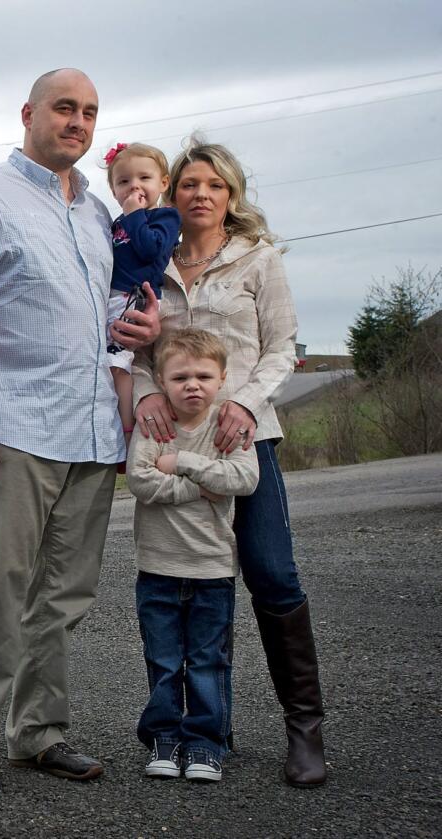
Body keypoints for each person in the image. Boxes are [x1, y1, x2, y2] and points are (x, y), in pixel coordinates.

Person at [0, 68, 161, 793]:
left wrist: (141, 328)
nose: (77, 122)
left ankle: (39, 732)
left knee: (64, 596)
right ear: (29, 113)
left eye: (89, 112)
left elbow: (101, 317)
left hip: (90, 435)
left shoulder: (96, 215)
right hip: (10, 429)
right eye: (64, 107)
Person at [132, 135, 328, 788]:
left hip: (247, 437)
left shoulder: (257, 259)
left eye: (214, 184)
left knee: (271, 573)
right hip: (176, 445)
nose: (201, 194)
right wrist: (144, 396)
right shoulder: (148, 262)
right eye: (189, 183)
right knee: (194, 581)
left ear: (231, 195)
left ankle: (305, 728)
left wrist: (244, 403)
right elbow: (134, 352)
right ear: (171, 193)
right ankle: (212, 728)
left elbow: (282, 347)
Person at [126, 328, 258, 783]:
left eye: (204, 375)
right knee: (163, 660)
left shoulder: (230, 427)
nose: (192, 385)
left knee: (207, 661)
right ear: (161, 381)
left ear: (222, 378)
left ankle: (205, 744)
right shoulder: (153, 427)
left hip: (212, 569)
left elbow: (243, 480)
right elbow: (141, 482)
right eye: (180, 376)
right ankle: (165, 738)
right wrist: (204, 487)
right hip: (158, 568)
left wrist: (182, 463)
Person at [102, 142, 181, 438]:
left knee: (118, 364)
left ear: (163, 183)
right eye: (124, 181)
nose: (134, 186)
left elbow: (151, 251)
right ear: (113, 191)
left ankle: (125, 431)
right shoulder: (118, 222)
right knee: (102, 363)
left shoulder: (166, 218)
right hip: (111, 297)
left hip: (134, 298)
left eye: (144, 179)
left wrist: (135, 214)